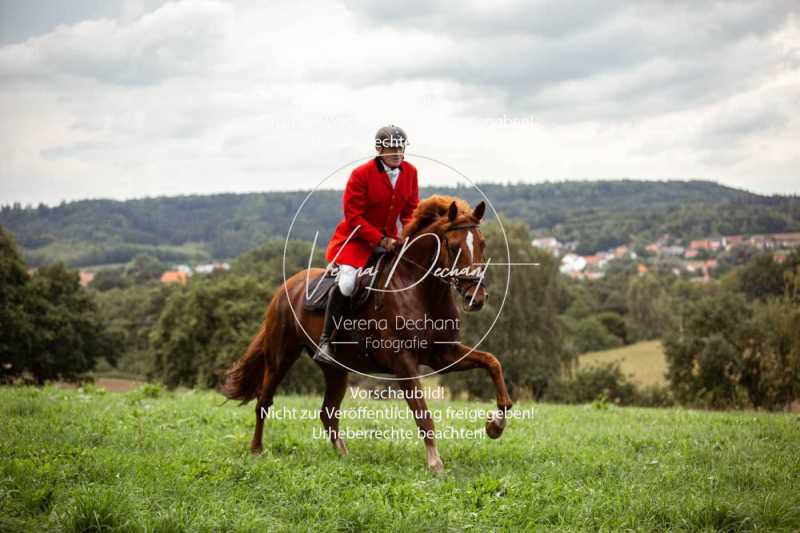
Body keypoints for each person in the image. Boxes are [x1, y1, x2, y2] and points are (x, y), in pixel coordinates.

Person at [312, 125, 420, 365]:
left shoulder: (410, 172)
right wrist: (381, 240)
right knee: (348, 283)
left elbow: (411, 210)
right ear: (379, 149)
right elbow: (354, 217)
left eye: (400, 147)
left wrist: (410, 236)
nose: (397, 152)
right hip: (355, 241)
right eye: (392, 147)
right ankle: (326, 341)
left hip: (391, 241)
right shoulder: (361, 174)